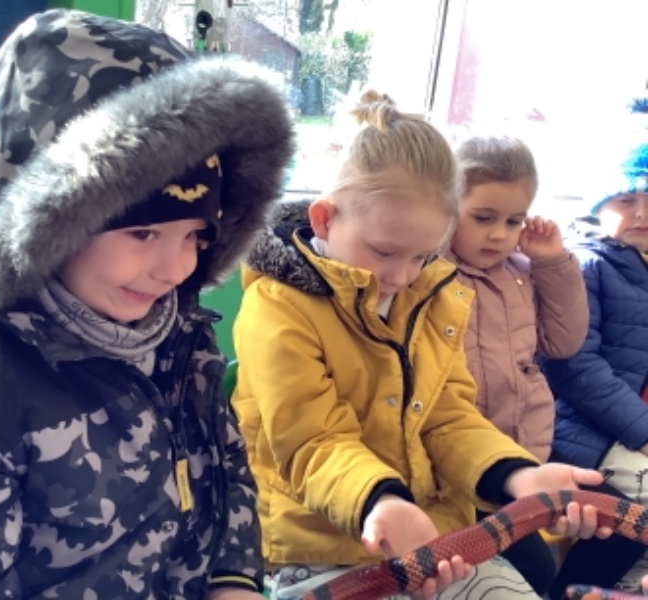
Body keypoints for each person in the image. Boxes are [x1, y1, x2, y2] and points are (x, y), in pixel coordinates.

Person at [0, 9, 294, 600]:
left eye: (196, 235)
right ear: (53, 222)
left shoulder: (176, 325)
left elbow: (226, 470)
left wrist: (233, 582)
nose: (175, 269)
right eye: (143, 233)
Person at [230, 91, 610, 600]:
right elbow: (312, 443)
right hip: (319, 547)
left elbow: (448, 417)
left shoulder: (434, 296)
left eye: (421, 256)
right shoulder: (278, 308)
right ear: (324, 220)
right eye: (385, 252)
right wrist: (381, 501)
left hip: (436, 534)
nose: (402, 276)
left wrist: (518, 475)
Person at [445, 135, 589, 595]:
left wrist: (553, 264)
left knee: (553, 563)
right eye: (483, 218)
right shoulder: (427, 272)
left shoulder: (522, 273)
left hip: (526, 452)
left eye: (514, 221)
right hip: (459, 468)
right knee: (532, 571)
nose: (499, 235)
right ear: (447, 206)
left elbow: (562, 343)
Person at [541, 94, 648, 595]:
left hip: (631, 431)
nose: (641, 212)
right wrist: (643, 430)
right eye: (625, 199)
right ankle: (579, 589)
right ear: (599, 204)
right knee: (628, 516)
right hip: (589, 431)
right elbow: (575, 367)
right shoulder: (588, 266)